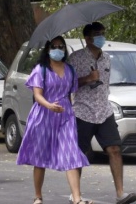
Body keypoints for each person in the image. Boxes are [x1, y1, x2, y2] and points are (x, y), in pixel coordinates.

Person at [17, 36, 93, 204]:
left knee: (71, 153)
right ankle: (38, 196)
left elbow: (71, 93)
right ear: (48, 49)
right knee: (40, 157)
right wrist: (50, 106)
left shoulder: (71, 70)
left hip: (65, 116)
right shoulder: (41, 69)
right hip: (43, 116)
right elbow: (37, 96)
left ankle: (77, 199)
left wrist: (90, 77)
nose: (58, 49)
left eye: (61, 46)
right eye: (54, 46)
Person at [68, 22, 136, 204]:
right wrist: (87, 79)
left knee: (114, 149)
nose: (101, 37)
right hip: (82, 111)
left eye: (103, 33)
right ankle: (75, 195)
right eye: (97, 34)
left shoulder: (106, 58)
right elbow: (67, 85)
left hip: (104, 110)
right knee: (79, 154)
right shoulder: (75, 58)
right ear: (87, 38)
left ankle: (120, 193)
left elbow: (105, 85)